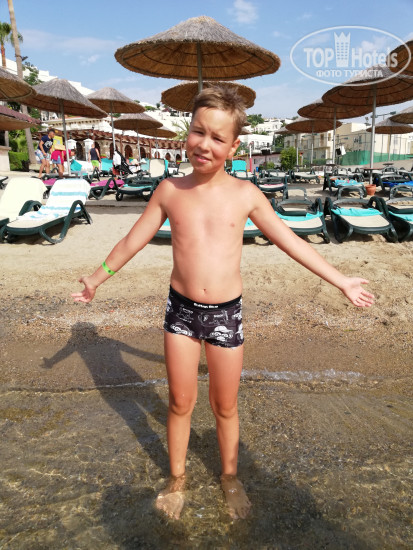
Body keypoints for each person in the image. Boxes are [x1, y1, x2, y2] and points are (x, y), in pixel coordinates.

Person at [72, 87, 374, 521]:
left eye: (217, 138)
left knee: (225, 406)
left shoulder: (246, 194)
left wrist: (341, 281)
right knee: (179, 402)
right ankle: (176, 480)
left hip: (225, 316)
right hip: (180, 312)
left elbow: (290, 241)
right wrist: (96, 279)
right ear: (187, 133)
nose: (204, 144)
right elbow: (131, 241)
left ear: (234, 147)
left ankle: (230, 478)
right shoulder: (169, 190)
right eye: (198, 132)